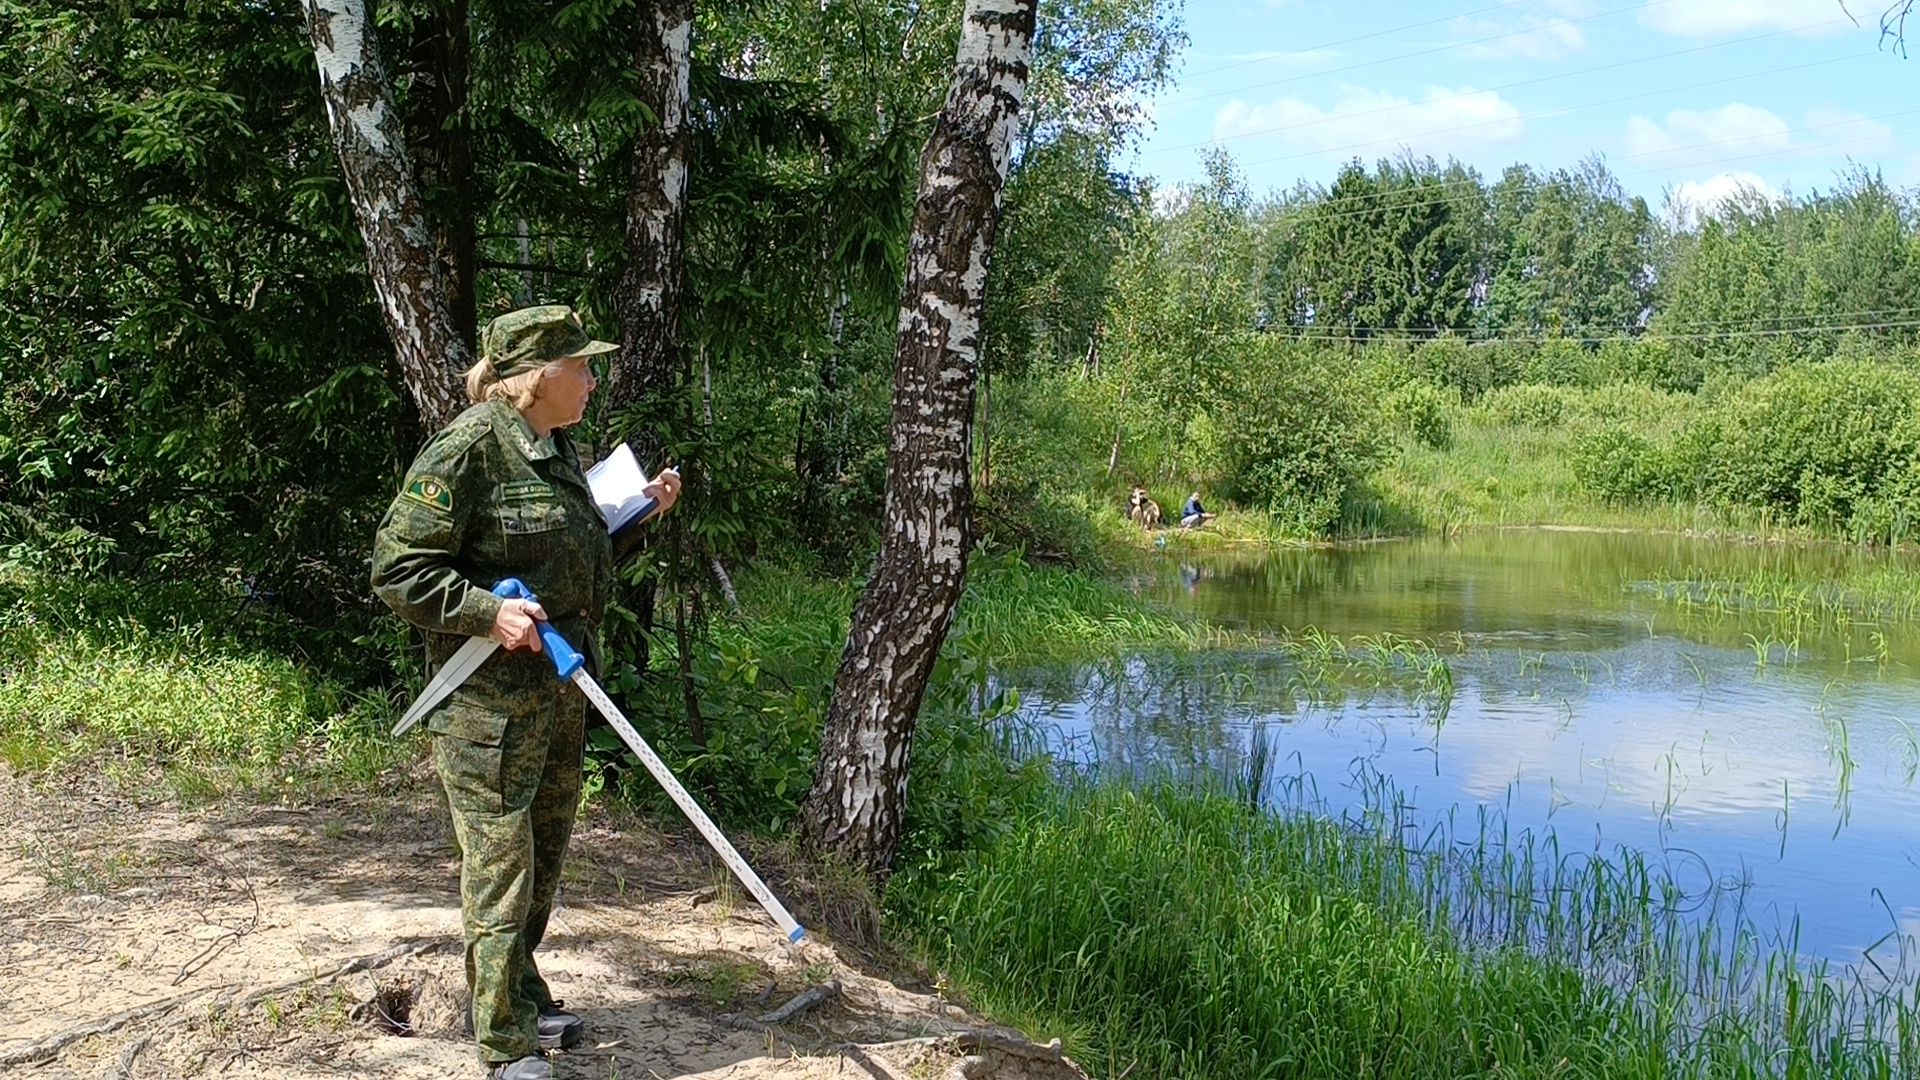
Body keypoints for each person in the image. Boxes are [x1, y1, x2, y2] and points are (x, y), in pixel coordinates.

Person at [371, 305, 681, 1080]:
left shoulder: (555, 446)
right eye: (579, 365)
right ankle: (505, 1043)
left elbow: (569, 553)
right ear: (535, 378)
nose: (592, 378)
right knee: (503, 864)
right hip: (489, 707)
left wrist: (639, 515)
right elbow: (398, 569)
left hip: (563, 690)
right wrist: (488, 610)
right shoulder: (468, 451)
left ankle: (522, 987)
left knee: (543, 857)